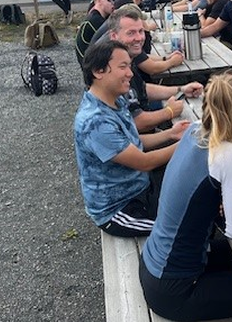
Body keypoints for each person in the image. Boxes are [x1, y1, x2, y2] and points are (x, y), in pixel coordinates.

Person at [139, 72, 232, 322]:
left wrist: (218, 205)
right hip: (175, 290)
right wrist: (226, 207)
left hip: (152, 265)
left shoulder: (192, 131)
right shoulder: (225, 153)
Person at [73, 37, 191, 237]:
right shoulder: (94, 122)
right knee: (186, 227)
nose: (130, 73)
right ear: (98, 71)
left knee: (196, 191)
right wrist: (188, 142)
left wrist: (171, 134)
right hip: (121, 209)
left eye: (129, 66)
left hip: (141, 186)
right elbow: (144, 162)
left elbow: (132, 142)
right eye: (123, 67)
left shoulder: (115, 100)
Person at [106, 8, 203, 133]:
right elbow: (136, 123)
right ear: (114, 36)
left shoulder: (125, 57)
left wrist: (181, 90)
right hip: (135, 140)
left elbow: (142, 89)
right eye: (131, 33)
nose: (139, 38)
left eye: (141, 31)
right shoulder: (111, 68)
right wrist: (169, 112)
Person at [75, 0, 115, 65]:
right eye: (110, 0)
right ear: (99, 1)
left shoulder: (99, 17)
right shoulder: (94, 21)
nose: (113, 3)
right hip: (92, 66)